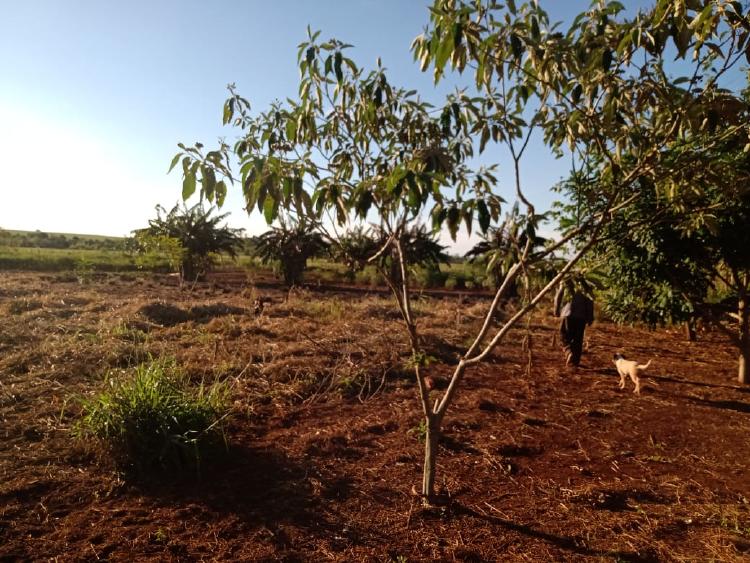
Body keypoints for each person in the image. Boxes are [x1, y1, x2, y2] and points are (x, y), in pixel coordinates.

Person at [554, 281, 594, 367]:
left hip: (568, 313)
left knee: (563, 336)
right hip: (581, 316)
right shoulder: (587, 283)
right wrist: (590, 316)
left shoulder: (567, 280)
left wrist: (556, 309)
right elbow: (590, 300)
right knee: (578, 339)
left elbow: (559, 294)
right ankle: (574, 362)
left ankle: (568, 352)